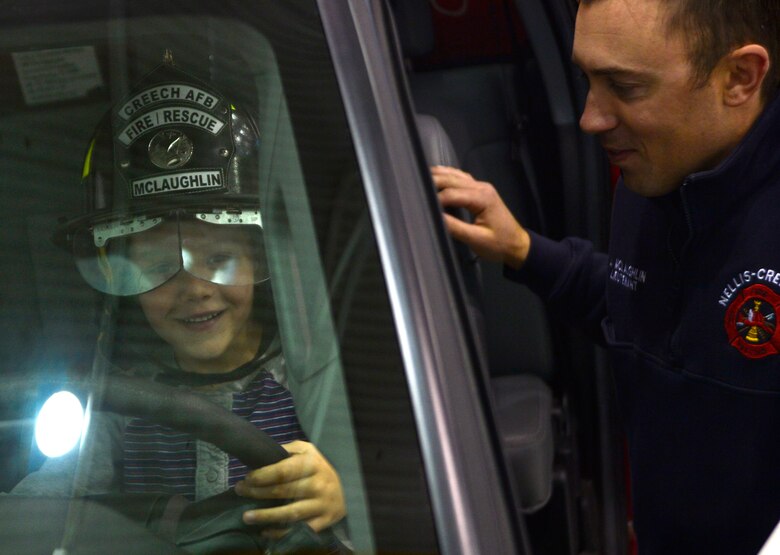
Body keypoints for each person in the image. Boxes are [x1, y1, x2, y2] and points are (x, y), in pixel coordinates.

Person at [434, 0, 780, 553]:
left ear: (739, 77)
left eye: (625, 85)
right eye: (587, 79)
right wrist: (524, 250)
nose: (592, 116)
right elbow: (635, 307)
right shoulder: (658, 171)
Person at [12, 58, 347, 547]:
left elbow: (379, 485)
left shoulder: (308, 379)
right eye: (153, 269)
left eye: (218, 257)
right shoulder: (118, 403)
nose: (194, 288)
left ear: (259, 259)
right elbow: (54, 491)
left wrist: (341, 494)